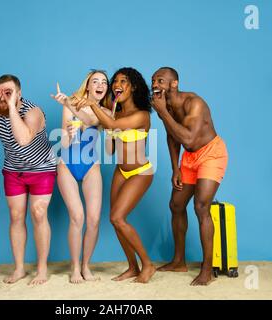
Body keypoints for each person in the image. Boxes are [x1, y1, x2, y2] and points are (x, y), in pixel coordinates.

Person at [0, 74, 57, 285]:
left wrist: (12, 107)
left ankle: (42, 268)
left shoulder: (33, 111)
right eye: (0, 92)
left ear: (20, 94)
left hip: (42, 169)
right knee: (16, 216)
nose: (4, 97)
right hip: (14, 171)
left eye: (9, 92)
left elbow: (24, 139)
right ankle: (19, 269)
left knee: (38, 213)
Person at [74, 67, 156, 283]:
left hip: (140, 172)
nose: (117, 85)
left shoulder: (142, 115)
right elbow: (108, 144)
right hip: (121, 171)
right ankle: (132, 266)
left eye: (124, 81)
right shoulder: (114, 111)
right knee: (116, 221)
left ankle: (148, 264)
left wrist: (95, 106)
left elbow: (110, 124)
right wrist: (72, 106)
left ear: (134, 87)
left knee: (117, 217)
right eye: (115, 81)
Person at [151, 67, 228, 286]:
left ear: (174, 84)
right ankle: (178, 261)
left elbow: (190, 140)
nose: (155, 84)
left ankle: (207, 269)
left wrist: (163, 113)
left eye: (161, 81)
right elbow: (172, 135)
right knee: (176, 205)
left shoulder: (194, 103)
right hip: (190, 157)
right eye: (153, 80)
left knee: (201, 206)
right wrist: (176, 168)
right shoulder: (164, 106)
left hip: (211, 153)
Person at [51, 70, 112, 283]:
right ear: (88, 85)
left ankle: (86, 266)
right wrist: (70, 134)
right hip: (67, 164)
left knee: (94, 219)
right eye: (95, 81)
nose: (100, 84)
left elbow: (91, 119)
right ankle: (75, 267)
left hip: (91, 165)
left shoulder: (107, 111)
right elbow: (65, 144)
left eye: (104, 82)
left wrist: (68, 104)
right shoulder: (73, 102)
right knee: (77, 217)